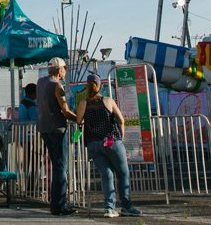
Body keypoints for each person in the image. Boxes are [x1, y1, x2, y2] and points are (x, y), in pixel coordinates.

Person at [77, 74, 141, 218]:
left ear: (87, 86)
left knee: (106, 174)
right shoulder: (107, 101)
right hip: (111, 141)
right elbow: (121, 120)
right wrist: (121, 137)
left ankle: (109, 208)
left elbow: (79, 120)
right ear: (99, 86)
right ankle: (126, 206)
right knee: (123, 173)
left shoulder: (83, 104)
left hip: (93, 144)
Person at [37, 57, 77, 216]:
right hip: (57, 129)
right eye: (65, 68)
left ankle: (56, 203)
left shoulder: (40, 82)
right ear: (60, 69)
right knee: (61, 167)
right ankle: (59, 205)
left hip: (44, 128)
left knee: (56, 165)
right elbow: (66, 111)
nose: (66, 71)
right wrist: (79, 118)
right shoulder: (57, 85)